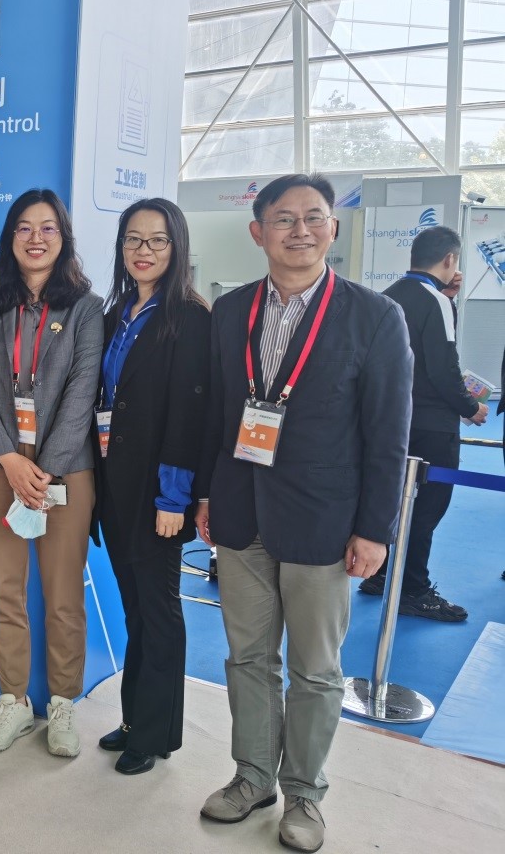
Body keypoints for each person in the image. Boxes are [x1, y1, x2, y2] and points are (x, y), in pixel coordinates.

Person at [195, 174, 412, 853]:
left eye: (314, 217)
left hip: (325, 519)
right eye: (283, 218)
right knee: (247, 657)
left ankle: (305, 794)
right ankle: (253, 776)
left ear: (333, 230)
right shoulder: (230, 311)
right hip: (240, 512)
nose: (300, 230)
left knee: (316, 669)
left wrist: (375, 529)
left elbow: (388, 434)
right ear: (257, 231)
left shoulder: (374, 316)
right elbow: (216, 414)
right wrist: (207, 494)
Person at [0, 189, 102, 758]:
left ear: (63, 237)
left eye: (48, 228)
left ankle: (63, 702)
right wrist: (8, 458)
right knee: (5, 590)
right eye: (24, 227)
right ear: (11, 237)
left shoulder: (86, 308)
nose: (36, 238)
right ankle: (14, 700)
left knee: (64, 594)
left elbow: (83, 390)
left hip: (64, 472)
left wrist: (43, 469)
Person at [92, 198, 210, 775]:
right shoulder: (117, 312)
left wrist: (173, 497)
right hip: (115, 487)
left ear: (176, 246)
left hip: (157, 492)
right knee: (135, 610)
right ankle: (136, 718)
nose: (144, 251)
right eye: (133, 240)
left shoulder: (188, 317)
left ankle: (155, 734)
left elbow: (189, 416)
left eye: (157, 240)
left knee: (159, 612)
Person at [362, 226, 487, 620]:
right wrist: (470, 407)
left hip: (390, 421)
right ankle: (414, 589)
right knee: (427, 508)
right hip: (432, 426)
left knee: (392, 499)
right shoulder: (436, 301)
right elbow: (444, 368)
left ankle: (381, 573)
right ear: (449, 259)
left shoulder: (386, 296)